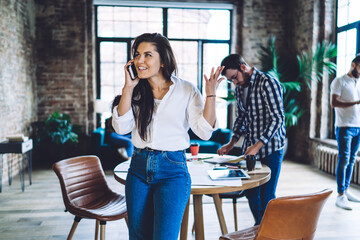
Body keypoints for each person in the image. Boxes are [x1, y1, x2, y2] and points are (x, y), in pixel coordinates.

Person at [112, 32, 224, 240]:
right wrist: (128, 87)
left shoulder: (186, 89)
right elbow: (121, 127)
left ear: (163, 60)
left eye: (147, 55)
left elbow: (204, 131)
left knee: (165, 237)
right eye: (137, 55)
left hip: (172, 171)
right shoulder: (135, 91)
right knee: (138, 236)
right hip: (138, 168)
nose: (139, 61)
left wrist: (210, 95)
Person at [217, 54, 286, 225]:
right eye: (230, 81)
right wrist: (231, 143)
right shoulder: (240, 88)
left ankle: (264, 231)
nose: (234, 83)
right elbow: (241, 117)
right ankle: (262, 227)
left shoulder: (268, 83)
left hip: (271, 148)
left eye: (234, 78)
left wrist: (257, 145)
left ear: (243, 67)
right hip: (249, 149)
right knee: (250, 192)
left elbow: (277, 118)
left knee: (267, 194)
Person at [330, 54, 360, 210]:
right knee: (344, 159)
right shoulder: (339, 81)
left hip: (358, 127)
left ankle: (346, 191)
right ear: (353, 64)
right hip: (344, 126)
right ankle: (340, 195)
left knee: (352, 159)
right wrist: (357, 102)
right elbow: (334, 103)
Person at [104, 95, 134, 160]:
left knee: (133, 139)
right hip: (113, 135)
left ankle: (126, 153)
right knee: (130, 142)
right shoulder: (110, 119)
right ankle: (129, 160)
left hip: (124, 136)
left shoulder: (130, 118)